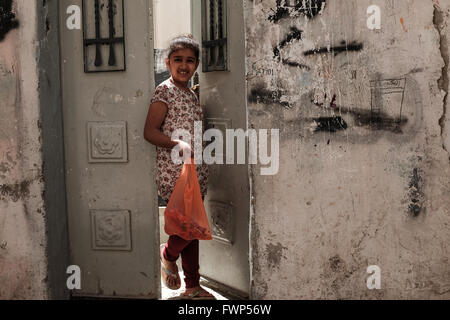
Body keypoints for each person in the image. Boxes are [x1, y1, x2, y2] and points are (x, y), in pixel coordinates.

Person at [144, 35, 214, 300]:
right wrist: (178, 144)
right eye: (178, 60)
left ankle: (192, 286)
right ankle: (167, 254)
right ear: (167, 62)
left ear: (196, 64)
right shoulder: (165, 91)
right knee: (189, 226)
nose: (183, 65)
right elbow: (149, 132)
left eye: (189, 60)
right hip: (175, 172)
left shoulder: (192, 93)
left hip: (196, 171)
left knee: (192, 228)